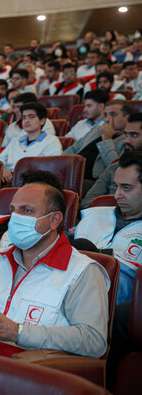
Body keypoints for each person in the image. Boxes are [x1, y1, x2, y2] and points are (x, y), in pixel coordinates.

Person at [0, 183, 109, 359]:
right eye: (13, 210)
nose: (15, 218)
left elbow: (93, 340)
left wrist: (19, 332)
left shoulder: (82, 271)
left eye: (26, 211)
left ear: (54, 220)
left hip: (28, 371)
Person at [74, 152, 142, 304]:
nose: (117, 195)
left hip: (113, 301)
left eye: (126, 188)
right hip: (67, 285)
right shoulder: (95, 214)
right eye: (116, 186)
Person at [83, 113, 142, 207]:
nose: (126, 140)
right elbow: (87, 202)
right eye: (126, 135)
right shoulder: (116, 166)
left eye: (134, 135)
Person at [65, 99, 131, 181]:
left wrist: (106, 139)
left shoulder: (128, 141)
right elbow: (73, 149)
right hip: (70, 174)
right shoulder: (97, 130)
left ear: (127, 118)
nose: (107, 119)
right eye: (106, 115)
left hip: (92, 181)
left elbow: (115, 169)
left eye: (113, 115)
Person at [0, 102, 63, 183]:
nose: (26, 121)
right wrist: (2, 168)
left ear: (42, 121)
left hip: (34, 184)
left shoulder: (52, 141)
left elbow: (51, 169)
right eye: (24, 117)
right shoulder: (15, 140)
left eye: (31, 117)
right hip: (8, 182)